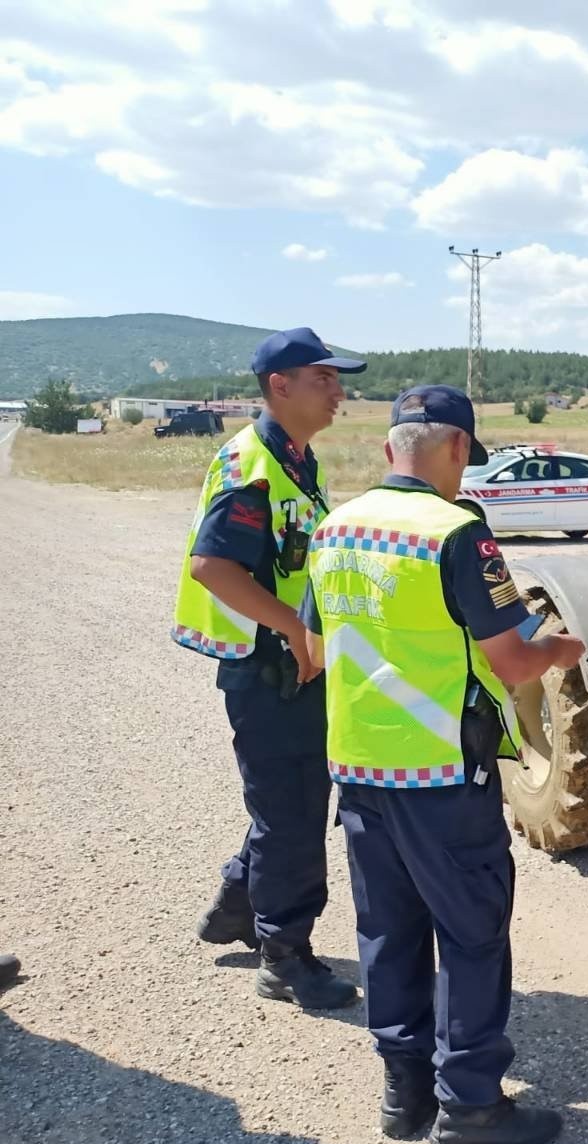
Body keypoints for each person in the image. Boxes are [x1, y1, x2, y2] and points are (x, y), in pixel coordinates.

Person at [303, 385, 585, 1144]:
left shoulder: (335, 528)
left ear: (394, 445)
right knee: (469, 936)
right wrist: (564, 651)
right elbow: (515, 659)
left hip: (360, 770)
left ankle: (405, 1092)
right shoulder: (459, 534)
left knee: (388, 931)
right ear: (456, 448)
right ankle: (470, 1109)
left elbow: (319, 650)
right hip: (441, 775)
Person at [175, 327, 365, 1011]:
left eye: (337, 379)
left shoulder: (291, 460)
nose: (338, 390)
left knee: (285, 804)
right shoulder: (253, 465)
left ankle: (237, 903)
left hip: (290, 670)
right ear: (279, 386)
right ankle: (285, 957)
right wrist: (291, 628)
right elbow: (212, 565)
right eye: (324, 378)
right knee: (292, 815)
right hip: (268, 672)